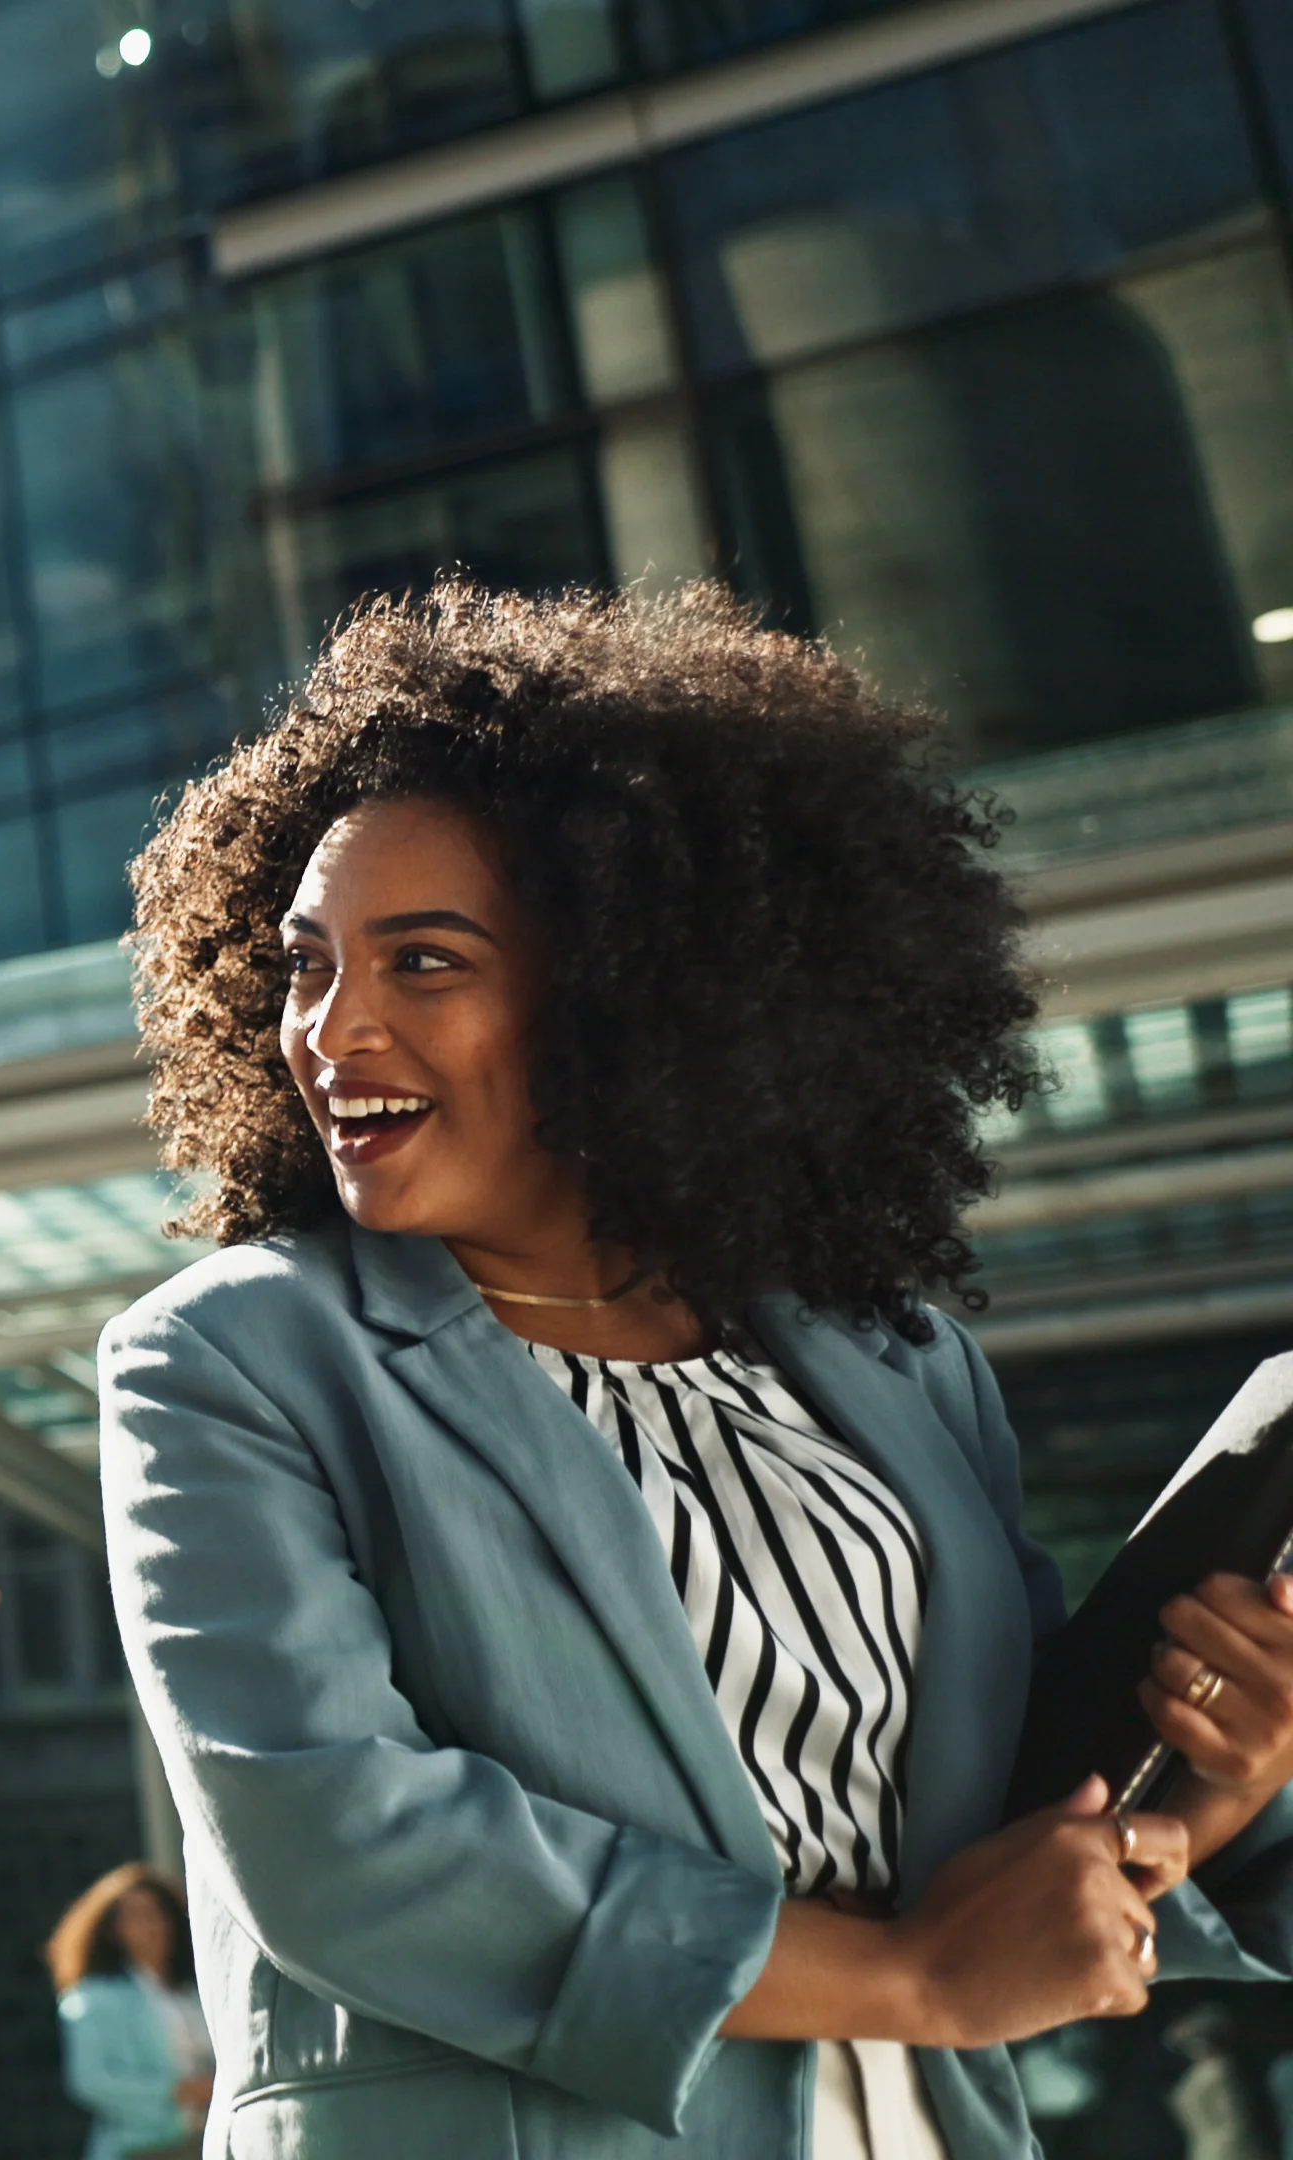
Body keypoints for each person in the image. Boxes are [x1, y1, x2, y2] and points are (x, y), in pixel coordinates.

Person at [97, 580, 1293, 2157]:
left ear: (629, 993)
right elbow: (346, 1845)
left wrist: (1182, 1802)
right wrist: (910, 1977)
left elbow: (968, 1824)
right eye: (309, 965)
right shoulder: (229, 1359)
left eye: (425, 964)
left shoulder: (896, 1363)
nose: (330, 1029)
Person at [48, 1864, 207, 2160]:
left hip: (212, 2140)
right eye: (137, 1916)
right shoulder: (92, 1999)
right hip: (145, 2148)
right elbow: (92, 2080)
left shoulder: (196, 1990)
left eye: (158, 1913)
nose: (152, 1926)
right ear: (113, 1929)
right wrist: (179, 2091)